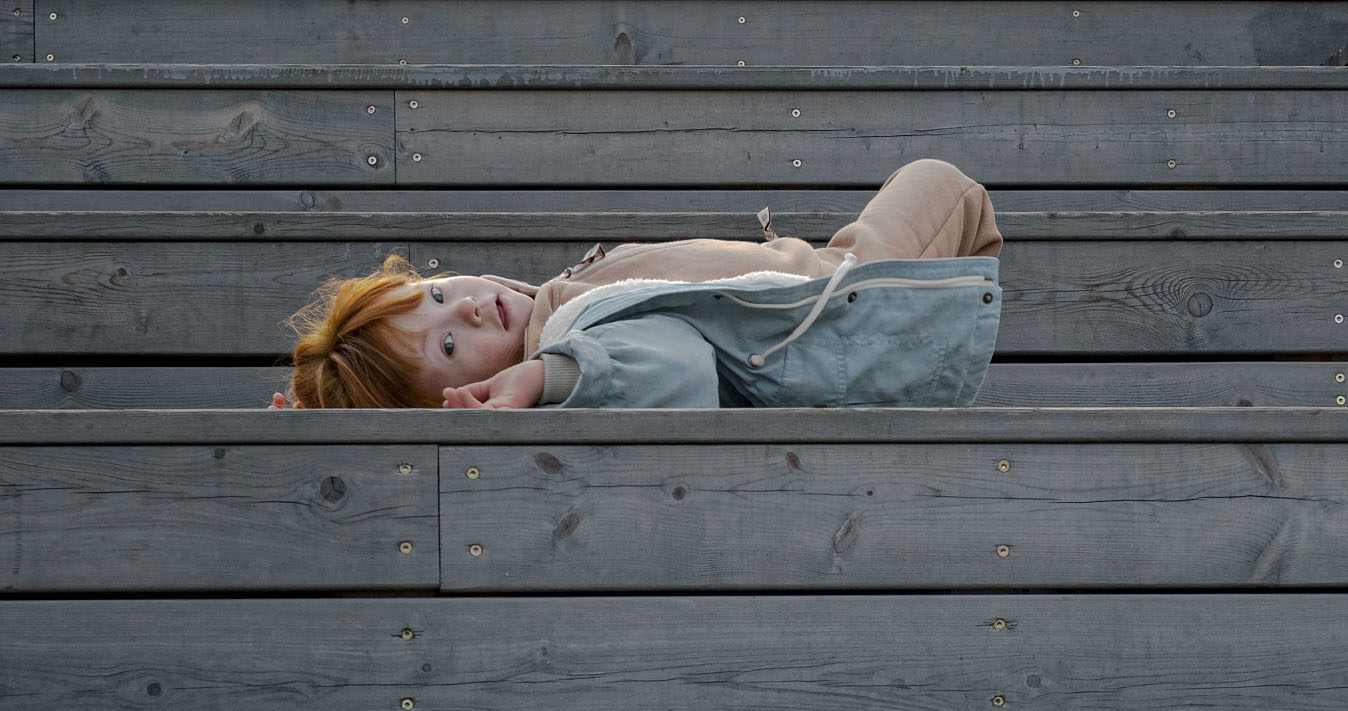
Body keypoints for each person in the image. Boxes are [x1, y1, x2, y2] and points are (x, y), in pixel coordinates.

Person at [276, 159, 1003, 410]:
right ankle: (926, 365)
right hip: (842, 315)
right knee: (943, 185)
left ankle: (933, 363)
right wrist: (547, 377)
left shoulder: (559, 310)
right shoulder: (566, 341)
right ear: (469, 397)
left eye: (437, 294)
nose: (465, 307)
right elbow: (679, 367)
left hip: (820, 308)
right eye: (447, 345)